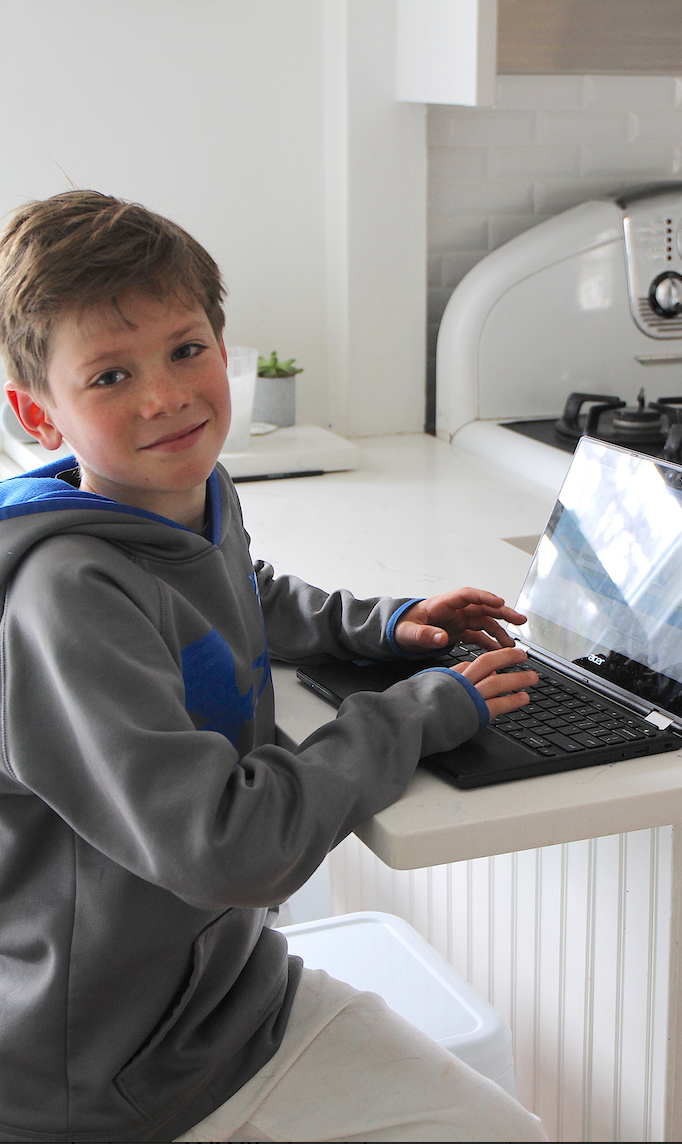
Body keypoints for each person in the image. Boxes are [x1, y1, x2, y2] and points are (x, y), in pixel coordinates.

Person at [0, 191, 547, 1143]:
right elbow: (229, 847)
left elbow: (234, 590)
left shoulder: (184, 495)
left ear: (224, 346)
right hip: (104, 1082)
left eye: (185, 350)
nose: (165, 397)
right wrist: (420, 712)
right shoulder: (65, 598)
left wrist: (381, 627)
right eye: (111, 375)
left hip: (224, 1001)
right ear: (35, 414)